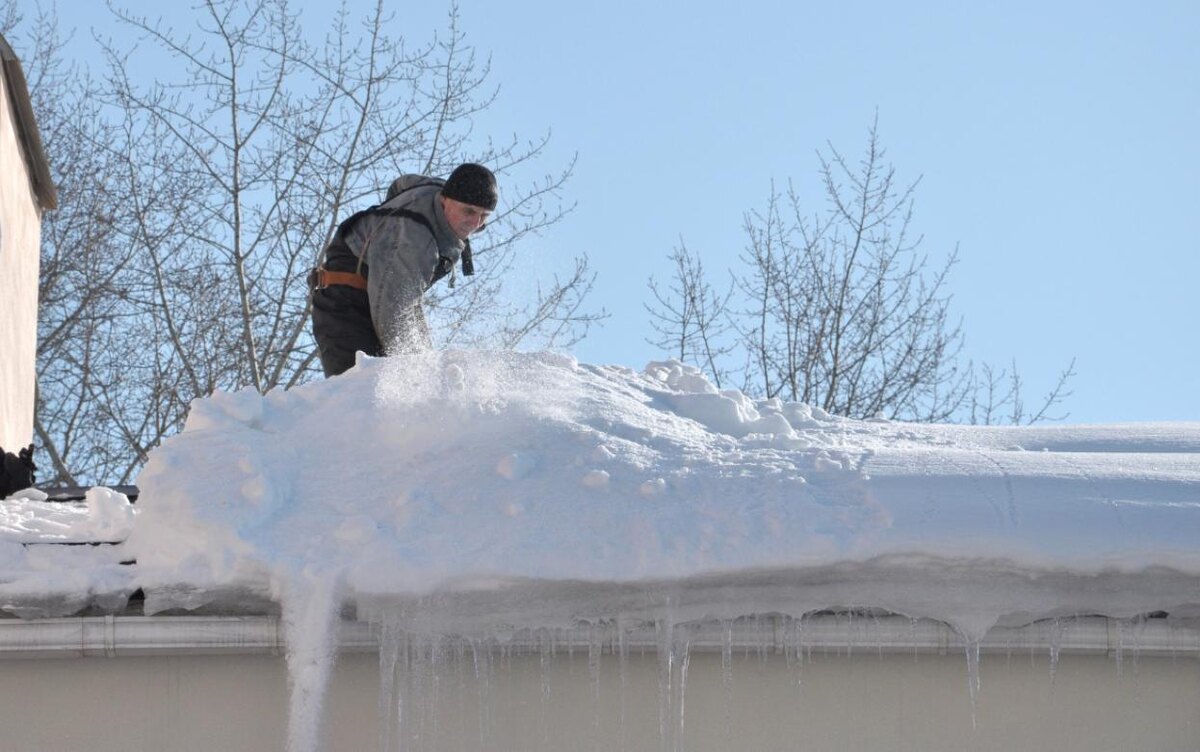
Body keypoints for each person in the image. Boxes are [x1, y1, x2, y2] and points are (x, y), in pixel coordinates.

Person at [309, 163, 497, 377]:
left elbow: (402, 184)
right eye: (469, 211)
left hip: (383, 287)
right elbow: (393, 313)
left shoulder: (432, 190)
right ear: (446, 201)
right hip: (345, 303)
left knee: (418, 359)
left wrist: (384, 226)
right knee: (360, 390)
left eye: (484, 216)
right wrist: (418, 374)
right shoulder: (412, 239)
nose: (475, 223)